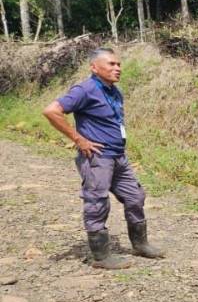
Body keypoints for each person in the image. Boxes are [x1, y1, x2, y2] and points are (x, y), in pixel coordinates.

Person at [42, 48, 163, 270]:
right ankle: (101, 256)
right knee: (97, 202)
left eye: (118, 64)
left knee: (135, 196)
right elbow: (51, 111)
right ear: (94, 67)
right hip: (97, 158)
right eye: (111, 64)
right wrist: (79, 140)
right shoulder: (85, 90)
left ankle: (140, 244)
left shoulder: (114, 91)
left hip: (118, 157)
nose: (117, 68)